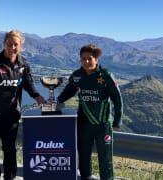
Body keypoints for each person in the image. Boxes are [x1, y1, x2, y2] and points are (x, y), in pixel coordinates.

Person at [0, 30, 44, 180]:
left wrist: (37, 96)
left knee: (10, 150)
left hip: (11, 115)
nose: (12, 47)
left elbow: (28, 84)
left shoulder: (23, 64)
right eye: (9, 44)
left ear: (21, 46)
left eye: (16, 44)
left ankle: (9, 178)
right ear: (4, 44)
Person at [57, 44, 123, 180]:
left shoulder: (106, 76)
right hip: (84, 123)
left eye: (90, 58)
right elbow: (68, 91)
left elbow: (117, 98)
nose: (86, 62)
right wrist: (55, 102)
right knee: (84, 155)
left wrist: (117, 120)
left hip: (103, 124)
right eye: (83, 59)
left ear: (96, 59)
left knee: (105, 158)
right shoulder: (77, 76)